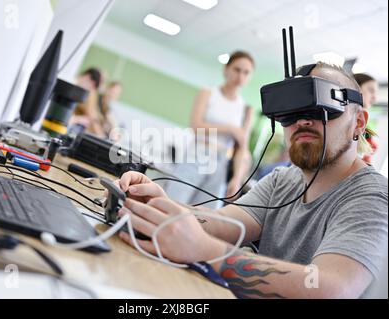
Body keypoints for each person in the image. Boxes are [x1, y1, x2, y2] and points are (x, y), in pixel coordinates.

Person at [111, 62, 388, 298]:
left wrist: (208, 252)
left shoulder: (372, 196)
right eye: (290, 110)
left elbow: (332, 288)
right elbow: (224, 224)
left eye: (319, 108)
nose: (302, 120)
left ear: (359, 123)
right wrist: (161, 205)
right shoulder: (284, 180)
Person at [165, 51, 255, 208]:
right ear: (226, 69)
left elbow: (242, 147)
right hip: (196, 155)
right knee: (172, 205)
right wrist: (231, 129)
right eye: (237, 70)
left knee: (204, 216)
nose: (240, 76)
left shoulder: (246, 109)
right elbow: (195, 126)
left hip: (221, 163)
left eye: (246, 72)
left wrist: (237, 179)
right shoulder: (208, 93)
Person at [70, 67, 106, 137]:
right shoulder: (71, 85)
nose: (89, 91)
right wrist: (79, 119)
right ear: (87, 77)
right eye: (90, 87)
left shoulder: (78, 90)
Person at [354, 73, 379, 164]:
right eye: (371, 90)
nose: (375, 97)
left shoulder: (362, 122)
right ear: (356, 87)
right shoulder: (346, 120)